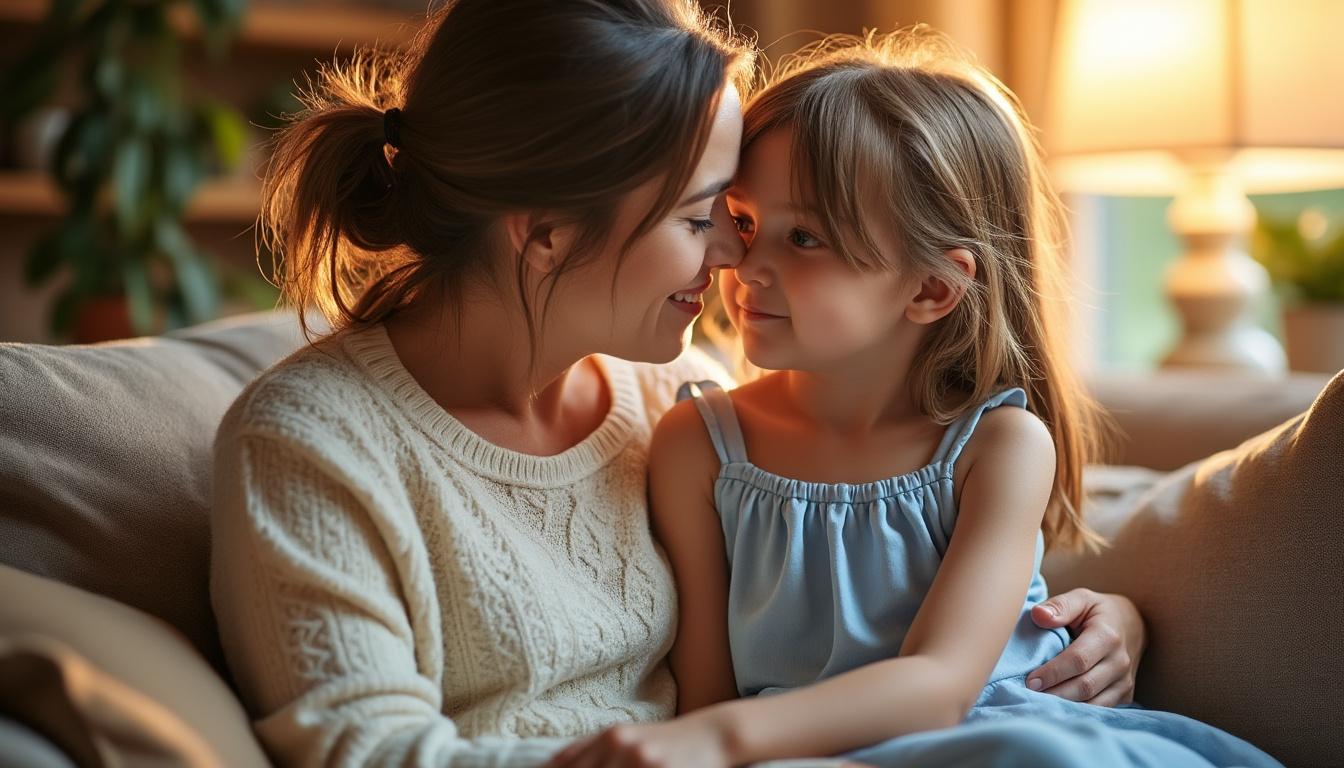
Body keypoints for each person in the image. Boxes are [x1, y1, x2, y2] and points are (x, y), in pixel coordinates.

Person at [211, 3, 1148, 766]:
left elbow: (919, 573)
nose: (738, 255)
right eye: (709, 217)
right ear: (547, 236)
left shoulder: (676, 396)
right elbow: (363, 749)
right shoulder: (314, 443)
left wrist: (1108, 619)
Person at [549, 29, 1281, 768]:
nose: (744, 263)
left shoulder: (999, 447)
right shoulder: (696, 443)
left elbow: (940, 688)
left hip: (996, 733)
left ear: (932, 287)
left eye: (804, 237)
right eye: (741, 220)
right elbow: (706, 695)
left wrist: (712, 739)